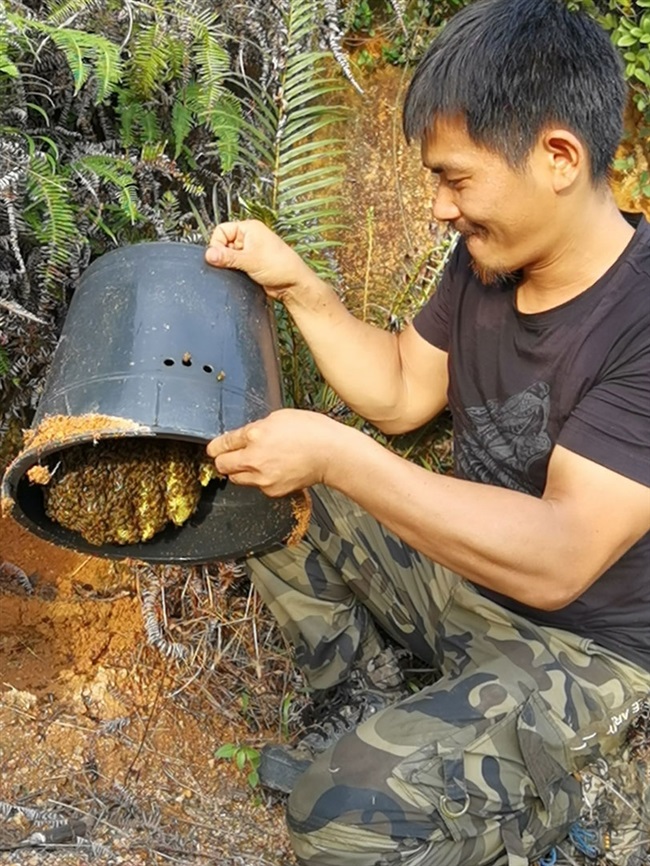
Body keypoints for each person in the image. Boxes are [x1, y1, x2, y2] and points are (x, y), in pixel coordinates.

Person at [204, 0, 650, 863]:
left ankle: (583, 818)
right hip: (473, 586)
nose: (440, 209)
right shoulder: (490, 261)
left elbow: (561, 556)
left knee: (335, 818)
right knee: (265, 471)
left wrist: (343, 456)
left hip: (591, 653)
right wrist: (299, 286)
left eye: (456, 178)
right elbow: (406, 392)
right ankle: (363, 701)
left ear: (558, 157)